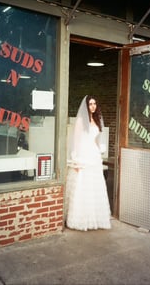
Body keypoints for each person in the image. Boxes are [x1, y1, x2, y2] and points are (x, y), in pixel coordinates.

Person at [65, 95, 111, 231]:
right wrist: (75, 159)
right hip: (83, 155)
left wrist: (99, 149)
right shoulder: (80, 120)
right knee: (82, 185)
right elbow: (76, 141)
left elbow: (96, 139)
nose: (93, 106)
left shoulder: (97, 120)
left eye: (94, 104)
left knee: (95, 186)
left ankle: (95, 218)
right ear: (86, 106)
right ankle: (81, 219)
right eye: (90, 104)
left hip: (94, 156)